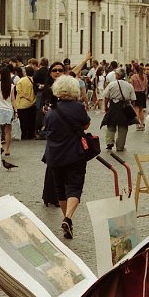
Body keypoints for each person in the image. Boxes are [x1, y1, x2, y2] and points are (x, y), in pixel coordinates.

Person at [42, 76, 91, 239]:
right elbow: (86, 124)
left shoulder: (51, 111)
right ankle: (68, 217)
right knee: (74, 187)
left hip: (54, 156)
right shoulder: (78, 108)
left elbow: (46, 128)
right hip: (74, 154)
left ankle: (67, 222)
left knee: (60, 189)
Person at [39, 62, 66, 207]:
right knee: (53, 163)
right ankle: (52, 195)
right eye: (54, 70)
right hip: (54, 129)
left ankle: (53, 195)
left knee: (58, 163)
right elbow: (44, 108)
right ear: (50, 73)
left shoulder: (67, 87)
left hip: (65, 130)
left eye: (60, 70)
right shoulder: (49, 89)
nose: (57, 72)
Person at [102, 68, 136, 152]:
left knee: (110, 123)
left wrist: (106, 106)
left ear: (118, 75)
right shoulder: (129, 85)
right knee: (123, 126)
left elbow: (106, 96)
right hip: (124, 106)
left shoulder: (112, 84)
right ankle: (120, 146)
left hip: (113, 105)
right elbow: (133, 99)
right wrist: (131, 107)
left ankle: (109, 142)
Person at [0, 66, 17, 158]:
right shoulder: (11, 86)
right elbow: (13, 100)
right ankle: (7, 149)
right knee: (8, 131)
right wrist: (16, 111)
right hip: (8, 109)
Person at [15, 65, 37, 140]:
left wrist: (25, 96)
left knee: (23, 121)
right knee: (31, 120)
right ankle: (31, 134)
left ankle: (24, 135)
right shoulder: (34, 80)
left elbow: (18, 91)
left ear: (25, 72)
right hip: (33, 103)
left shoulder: (21, 80)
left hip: (22, 104)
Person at [130, 63, 148, 130]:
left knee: (136, 110)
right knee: (141, 110)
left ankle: (137, 124)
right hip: (142, 94)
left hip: (136, 94)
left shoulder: (133, 77)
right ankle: (142, 124)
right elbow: (146, 86)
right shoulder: (145, 76)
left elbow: (131, 87)